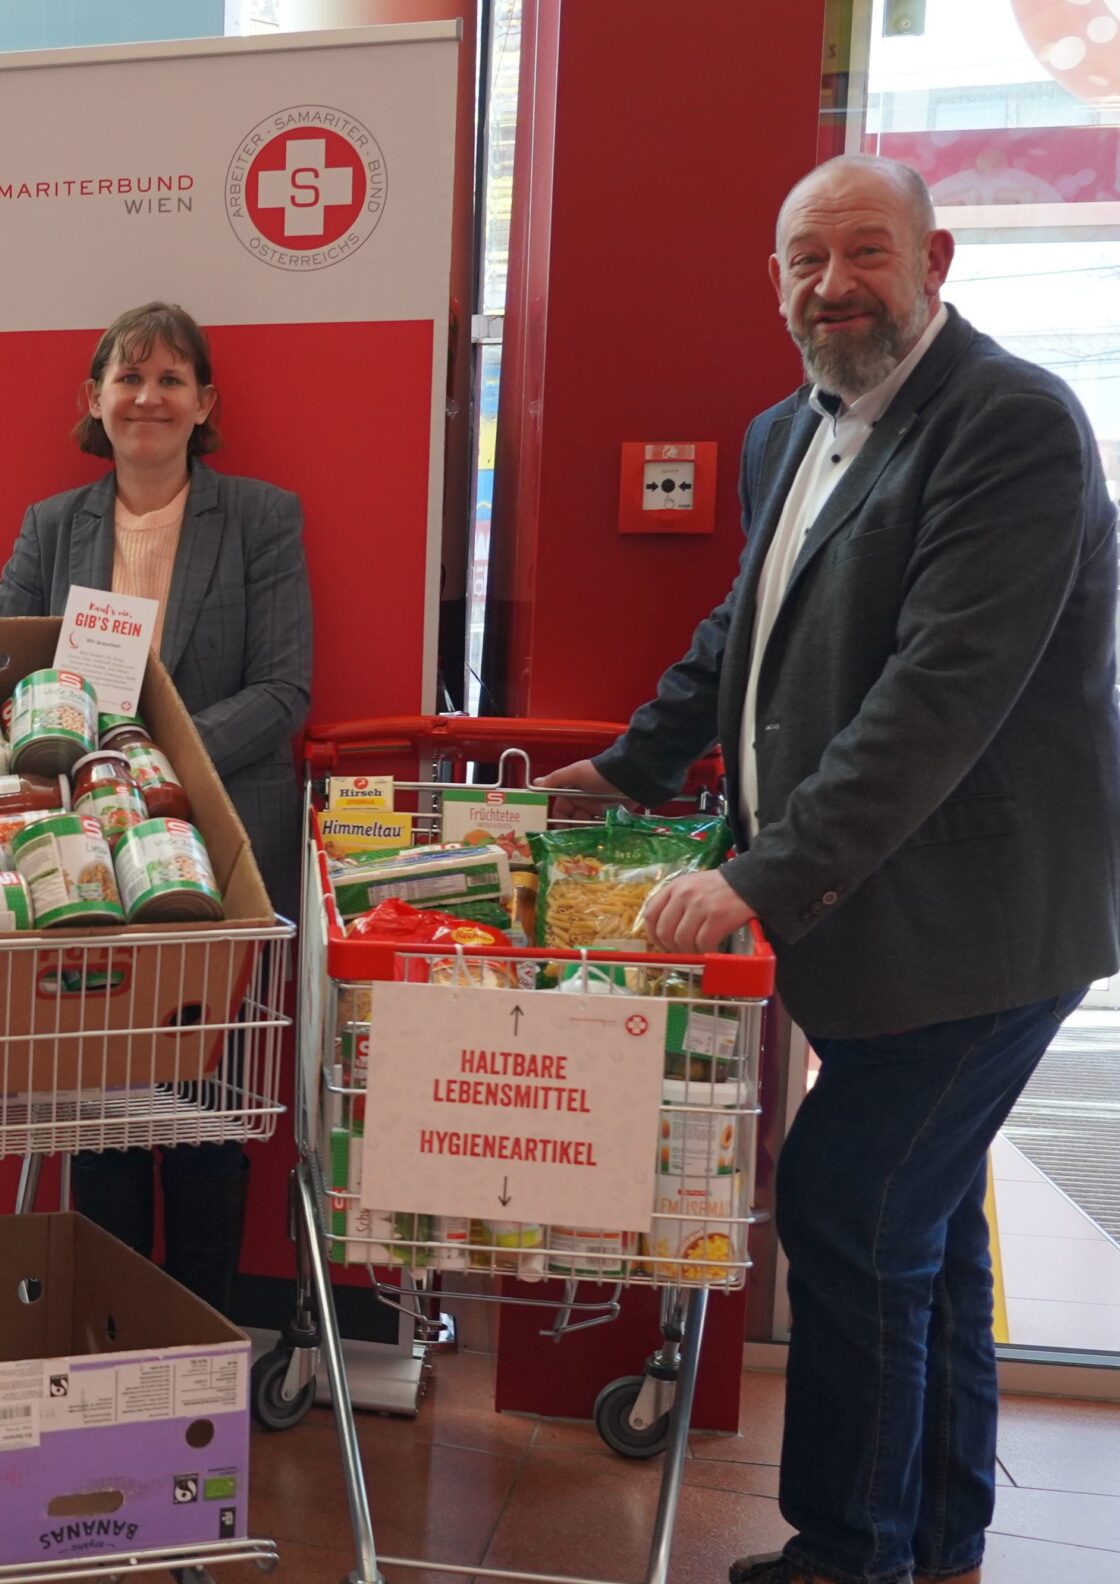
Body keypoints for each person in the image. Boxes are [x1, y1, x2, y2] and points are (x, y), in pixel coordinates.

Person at [540, 154, 1120, 1584]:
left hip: (978, 920)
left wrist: (763, 874)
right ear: (776, 280)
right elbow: (743, 628)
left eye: (865, 251)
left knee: (849, 1207)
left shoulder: (1009, 423)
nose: (832, 284)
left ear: (936, 259)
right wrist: (629, 767)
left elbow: (940, 696)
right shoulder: (785, 430)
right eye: (806, 260)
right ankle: (937, 1539)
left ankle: (846, 1552)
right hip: (883, 918)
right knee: (927, 1228)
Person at [0, 300, 312, 1315]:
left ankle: (203, 1332)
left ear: (204, 402)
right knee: (103, 1108)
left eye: (171, 379)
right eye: (128, 378)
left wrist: (150, 758)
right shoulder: (53, 526)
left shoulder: (261, 517)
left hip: (218, 841)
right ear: (95, 399)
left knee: (208, 1108)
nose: (148, 397)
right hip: (82, 855)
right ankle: (111, 1332)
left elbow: (284, 690)